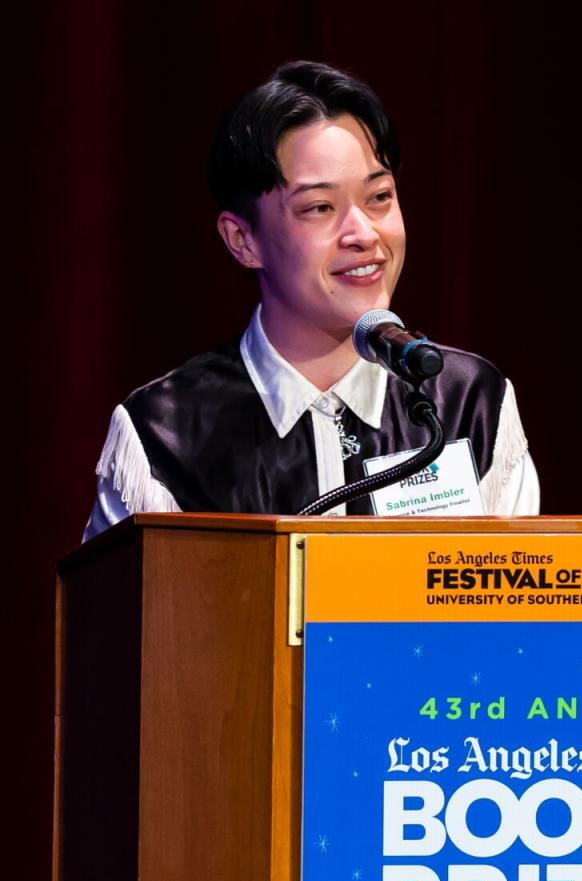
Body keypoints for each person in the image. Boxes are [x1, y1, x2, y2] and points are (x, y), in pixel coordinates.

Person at [84, 61, 538, 539]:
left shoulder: (467, 401)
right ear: (242, 240)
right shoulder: (166, 434)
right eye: (320, 208)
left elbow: (516, 610)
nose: (364, 233)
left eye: (379, 196)